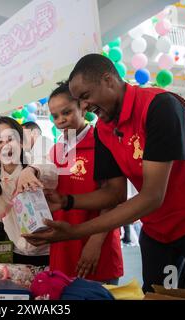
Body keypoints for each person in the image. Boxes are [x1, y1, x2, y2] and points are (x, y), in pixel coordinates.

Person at [24, 54, 185, 300]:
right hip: (158, 226)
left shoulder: (160, 107)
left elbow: (152, 196)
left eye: (85, 96)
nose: (84, 106)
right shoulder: (103, 129)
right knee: (159, 295)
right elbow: (115, 193)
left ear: (109, 81)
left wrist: (76, 231)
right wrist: (68, 201)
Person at [48, 81, 123, 284]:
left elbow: (114, 197)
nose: (61, 120)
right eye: (55, 116)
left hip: (96, 248)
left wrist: (95, 242)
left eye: (66, 112)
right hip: (62, 249)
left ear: (82, 106)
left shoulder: (102, 143)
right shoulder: (55, 151)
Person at [0, 116, 57, 266]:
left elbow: (52, 173)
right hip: (17, 250)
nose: (6, 146)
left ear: (21, 142)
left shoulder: (34, 160)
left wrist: (33, 171)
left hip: (51, 250)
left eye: (10, 139)